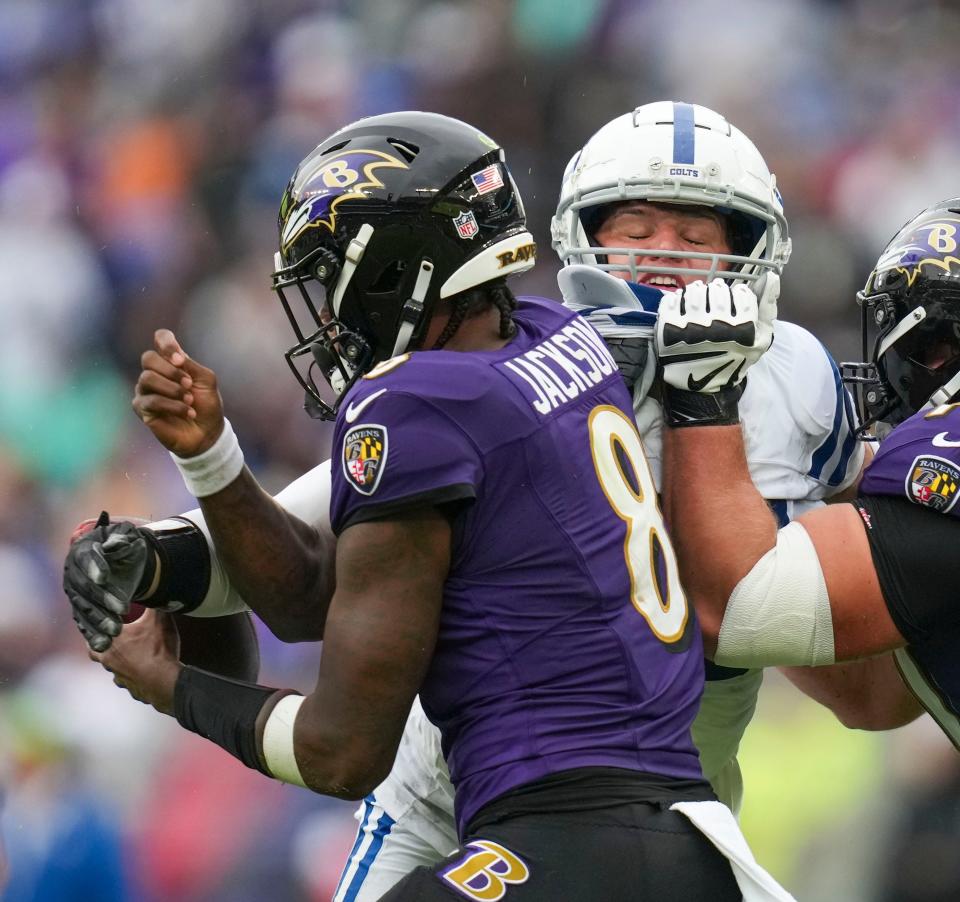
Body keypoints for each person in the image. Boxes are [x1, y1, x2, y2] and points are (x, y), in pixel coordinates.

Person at [63, 103, 911, 901]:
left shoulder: (780, 385)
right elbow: (312, 544)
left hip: (604, 798)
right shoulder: (554, 345)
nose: (663, 257)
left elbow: (339, 744)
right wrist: (170, 539)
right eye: (636, 228)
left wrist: (168, 677)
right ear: (579, 236)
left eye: (696, 235)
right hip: (563, 797)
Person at [654, 196, 960, 747]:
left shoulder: (942, 455)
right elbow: (872, 693)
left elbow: (740, 610)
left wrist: (706, 401)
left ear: (941, 346)